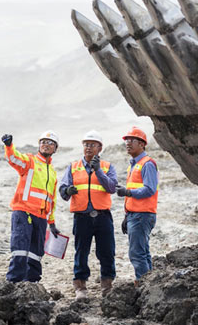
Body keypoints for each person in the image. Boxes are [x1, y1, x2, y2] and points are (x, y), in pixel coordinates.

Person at [59, 130, 118, 299]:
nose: (88, 148)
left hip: (103, 216)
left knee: (106, 251)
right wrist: (67, 190)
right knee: (81, 251)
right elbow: (63, 190)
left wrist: (98, 171)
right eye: (86, 144)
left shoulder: (107, 167)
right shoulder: (73, 166)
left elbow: (112, 187)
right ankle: (80, 287)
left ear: (100, 148)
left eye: (92, 145)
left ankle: (107, 285)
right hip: (82, 217)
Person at [2, 130, 61, 282]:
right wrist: (9, 146)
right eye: (43, 142)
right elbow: (14, 158)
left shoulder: (53, 172)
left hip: (41, 217)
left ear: (55, 149)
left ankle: (32, 283)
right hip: (24, 212)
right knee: (20, 248)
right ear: (39, 145)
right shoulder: (30, 161)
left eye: (50, 143)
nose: (46, 145)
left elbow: (52, 199)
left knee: (36, 252)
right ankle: (14, 282)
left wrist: (52, 222)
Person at [116, 126, 158, 286]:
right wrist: (127, 216)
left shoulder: (147, 164)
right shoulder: (134, 165)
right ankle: (149, 283)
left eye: (132, 140)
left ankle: (143, 285)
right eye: (126, 140)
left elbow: (149, 189)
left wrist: (127, 192)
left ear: (142, 144)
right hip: (135, 215)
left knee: (137, 253)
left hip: (142, 215)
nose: (128, 143)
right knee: (143, 251)